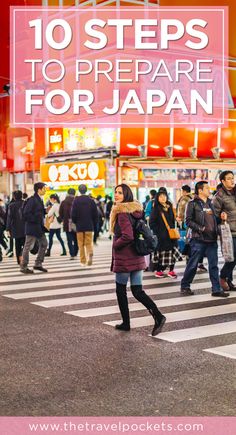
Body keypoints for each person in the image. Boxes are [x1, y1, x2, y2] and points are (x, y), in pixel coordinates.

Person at [110, 183, 166, 335]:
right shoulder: (136, 211)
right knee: (137, 291)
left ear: (126, 195)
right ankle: (158, 316)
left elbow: (127, 235)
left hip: (125, 257)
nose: (116, 195)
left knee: (120, 290)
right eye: (115, 192)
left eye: (120, 193)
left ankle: (126, 323)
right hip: (137, 255)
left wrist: (116, 244)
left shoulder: (122, 212)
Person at [180, 181, 229, 297]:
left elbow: (213, 220)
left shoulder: (210, 204)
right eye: (206, 188)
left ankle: (216, 289)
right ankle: (185, 286)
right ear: (200, 190)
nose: (209, 189)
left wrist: (221, 219)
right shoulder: (192, 203)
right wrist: (201, 228)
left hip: (211, 240)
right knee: (193, 264)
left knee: (213, 265)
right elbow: (188, 221)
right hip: (198, 239)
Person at [212, 170, 236, 291]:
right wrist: (221, 218)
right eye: (229, 178)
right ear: (222, 181)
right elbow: (214, 215)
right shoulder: (219, 196)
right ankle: (223, 277)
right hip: (228, 231)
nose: (232, 180)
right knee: (232, 257)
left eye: (233, 178)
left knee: (233, 257)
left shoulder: (234, 192)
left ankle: (229, 281)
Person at [149, 191, 182, 279]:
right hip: (161, 236)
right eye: (160, 196)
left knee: (173, 252)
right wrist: (159, 233)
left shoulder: (169, 206)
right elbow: (152, 223)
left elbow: (172, 220)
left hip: (171, 235)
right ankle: (159, 270)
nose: (163, 198)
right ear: (157, 198)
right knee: (161, 253)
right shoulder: (156, 209)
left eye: (164, 196)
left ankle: (171, 270)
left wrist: (177, 221)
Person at [20, 182, 48, 274]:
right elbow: (25, 214)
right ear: (39, 190)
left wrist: (45, 211)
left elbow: (38, 211)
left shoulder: (39, 199)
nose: (45, 190)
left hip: (39, 227)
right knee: (27, 247)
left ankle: (38, 264)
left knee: (44, 243)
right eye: (44, 188)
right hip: (32, 227)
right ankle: (23, 267)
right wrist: (36, 218)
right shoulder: (32, 200)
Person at [71, 184, 98, 266]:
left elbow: (73, 214)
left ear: (79, 190)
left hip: (79, 225)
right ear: (86, 190)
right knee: (88, 243)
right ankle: (90, 253)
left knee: (81, 244)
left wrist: (75, 222)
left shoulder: (76, 201)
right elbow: (95, 214)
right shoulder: (91, 201)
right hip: (89, 225)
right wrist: (93, 223)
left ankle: (83, 261)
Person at [6, 190, 25, 264]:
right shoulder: (25, 203)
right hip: (25, 228)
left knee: (17, 244)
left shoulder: (11, 205)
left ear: (14, 197)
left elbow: (9, 217)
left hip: (15, 228)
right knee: (25, 244)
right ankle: (22, 256)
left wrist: (8, 229)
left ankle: (18, 260)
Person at [59, 188, 78, 259]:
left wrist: (64, 219)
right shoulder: (77, 201)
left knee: (69, 239)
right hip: (76, 222)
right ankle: (75, 252)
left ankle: (72, 254)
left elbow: (60, 213)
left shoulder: (63, 202)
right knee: (76, 239)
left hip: (67, 223)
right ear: (74, 193)